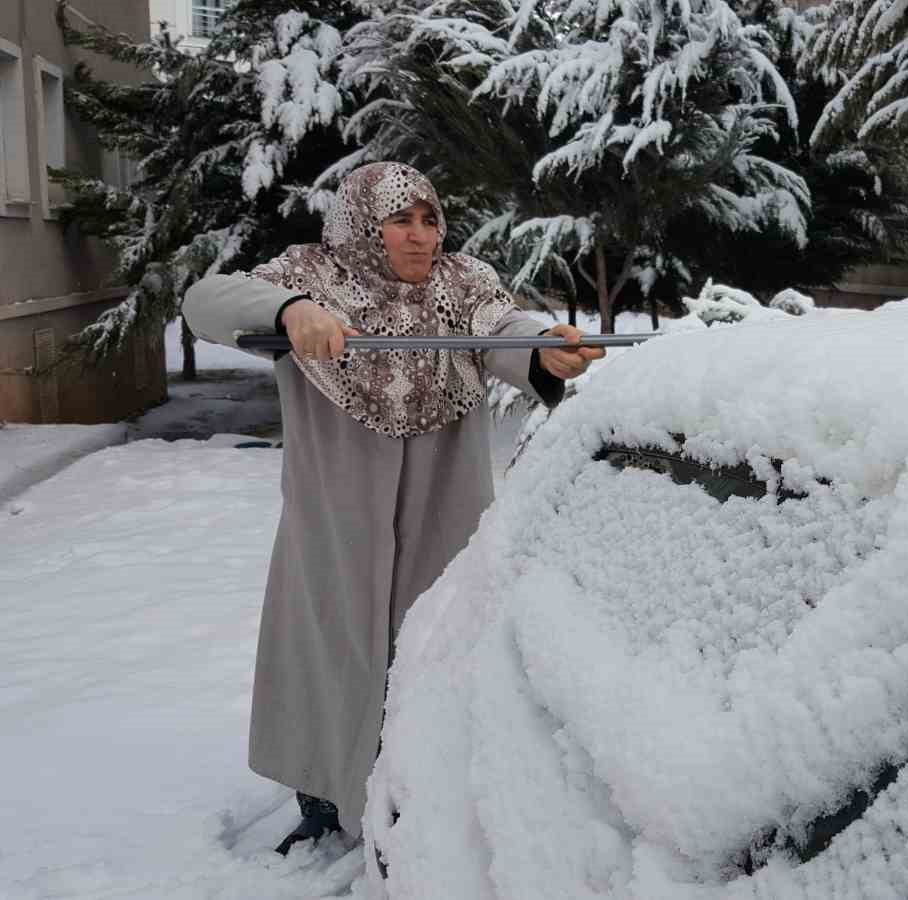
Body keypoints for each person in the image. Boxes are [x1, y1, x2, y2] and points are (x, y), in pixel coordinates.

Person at [181, 162, 603, 854]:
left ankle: (422, 800)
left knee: (434, 652)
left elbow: (506, 323)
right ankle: (321, 799)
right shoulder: (309, 277)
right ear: (361, 225)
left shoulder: (461, 287)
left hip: (445, 509)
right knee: (330, 653)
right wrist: (289, 313)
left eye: (430, 220)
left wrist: (542, 350)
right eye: (401, 220)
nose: (421, 237)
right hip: (336, 521)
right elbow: (205, 300)